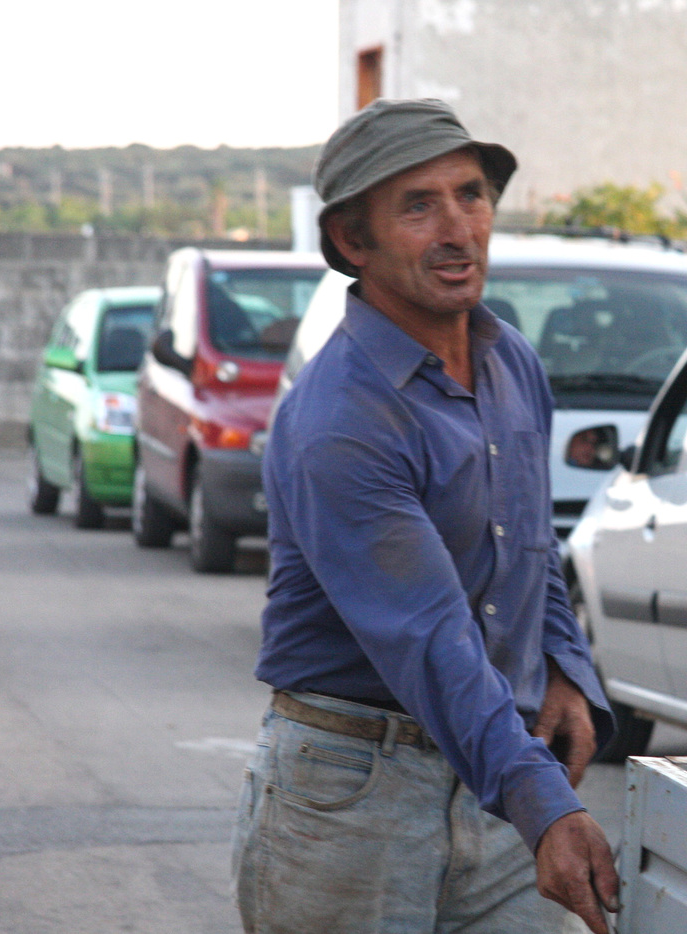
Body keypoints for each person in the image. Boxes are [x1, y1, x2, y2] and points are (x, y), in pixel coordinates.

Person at [231, 98, 620, 934]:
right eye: (418, 206)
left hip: (496, 767)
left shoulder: (511, 362)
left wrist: (562, 664)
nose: (457, 230)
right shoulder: (342, 417)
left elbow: (531, 546)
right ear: (353, 240)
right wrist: (544, 802)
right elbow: (430, 635)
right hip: (352, 798)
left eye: (470, 195)